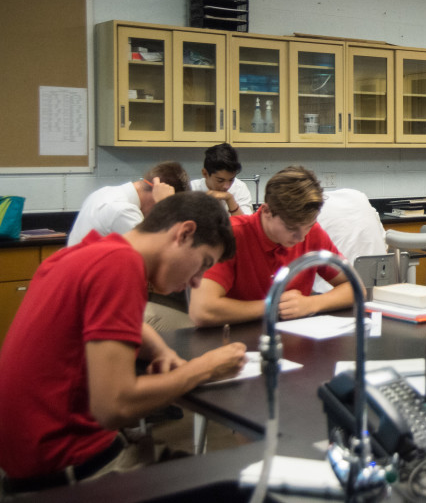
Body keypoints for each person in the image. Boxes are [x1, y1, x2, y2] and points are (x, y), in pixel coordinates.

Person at [0, 192, 246, 495]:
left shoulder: (91, 251)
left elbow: (116, 322)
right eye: (203, 263)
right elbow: (114, 406)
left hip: (29, 465)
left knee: (215, 474)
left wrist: (161, 350)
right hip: (69, 473)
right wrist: (202, 369)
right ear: (184, 233)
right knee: (245, 487)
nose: (197, 281)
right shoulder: (121, 265)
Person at [189, 166, 354, 327]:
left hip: (295, 339)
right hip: (236, 339)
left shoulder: (312, 233)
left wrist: (312, 303)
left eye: (309, 226)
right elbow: (202, 311)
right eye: (291, 228)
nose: (301, 238)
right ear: (266, 211)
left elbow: (354, 287)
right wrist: (273, 305)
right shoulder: (230, 235)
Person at [67, 161, 189, 246]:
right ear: (155, 192)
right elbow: (162, 254)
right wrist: (165, 206)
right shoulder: (123, 211)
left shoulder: (105, 192)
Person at [313, 187, 387, 293]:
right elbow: (384, 244)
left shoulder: (309, 218)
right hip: (381, 289)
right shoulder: (358, 196)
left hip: (332, 293)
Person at [190, 143, 253, 217]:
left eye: (231, 180)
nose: (226, 186)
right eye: (220, 180)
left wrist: (230, 199)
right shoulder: (191, 189)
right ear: (205, 174)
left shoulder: (240, 188)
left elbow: (245, 226)